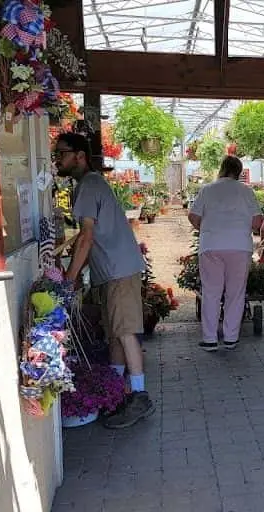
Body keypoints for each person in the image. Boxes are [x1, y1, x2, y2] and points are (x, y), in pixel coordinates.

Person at [55, 132, 154, 428]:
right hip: (113, 269)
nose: (57, 159)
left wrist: (70, 278)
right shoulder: (89, 184)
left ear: (80, 156)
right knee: (114, 333)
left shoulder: (88, 184)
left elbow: (86, 236)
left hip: (118, 269)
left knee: (125, 332)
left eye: (62, 153)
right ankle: (114, 391)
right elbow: (86, 238)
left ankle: (139, 395)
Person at [188, 156, 264, 350]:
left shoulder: (207, 189)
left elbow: (193, 216)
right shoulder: (247, 191)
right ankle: (231, 337)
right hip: (239, 246)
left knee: (211, 293)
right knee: (236, 293)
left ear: (222, 168)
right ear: (238, 171)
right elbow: (257, 222)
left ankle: (210, 339)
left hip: (211, 245)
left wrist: (204, 228)